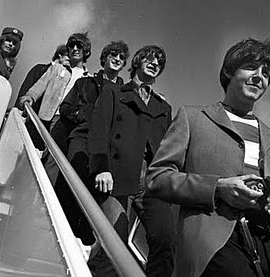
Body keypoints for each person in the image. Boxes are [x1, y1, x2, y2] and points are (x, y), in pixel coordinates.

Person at [146, 38, 270, 277]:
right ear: (229, 71)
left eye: (266, 73)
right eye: (251, 67)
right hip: (214, 246)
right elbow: (157, 177)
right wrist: (216, 188)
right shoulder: (193, 118)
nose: (259, 76)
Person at [87, 45, 176, 277]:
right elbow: (98, 131)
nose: (155, 63)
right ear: (137, 61)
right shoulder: (113, 92)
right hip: (117, 174)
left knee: (166, 239)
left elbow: (168, 147)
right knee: (115, 241)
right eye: (150, 58)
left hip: (151, 181)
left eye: (160, 61)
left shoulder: (163, 107)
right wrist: (101, 169)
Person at [54, 40, 129, 243]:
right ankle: (64, 232)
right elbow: (66, 107)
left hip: (106, 144)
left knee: (98, 188)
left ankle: (85, 238)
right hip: (82, 135)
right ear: (104, 58)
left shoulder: (125, 93)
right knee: (75, 175)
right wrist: (82, 114)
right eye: (113, 55)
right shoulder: (84, 83)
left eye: (121, 58)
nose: (117, 59)